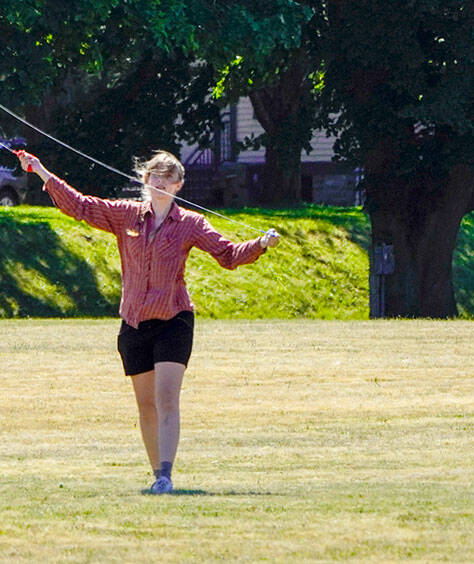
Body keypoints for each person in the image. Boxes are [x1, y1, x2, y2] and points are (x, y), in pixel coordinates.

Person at [14, 148, 279, 495]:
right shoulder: (127, 216)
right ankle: (158, 475)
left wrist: (261, 244)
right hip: (135, 323)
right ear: (145, 180)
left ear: (178, 185)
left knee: (167, 398)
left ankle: (167, 474)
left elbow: (227, 256)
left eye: (167, 178)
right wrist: (41, 171)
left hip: (174, 320)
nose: (159, 183)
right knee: (146, 405)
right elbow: (80, 206)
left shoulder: (190, 224)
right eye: (154, 176)